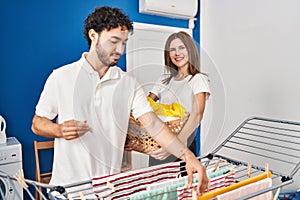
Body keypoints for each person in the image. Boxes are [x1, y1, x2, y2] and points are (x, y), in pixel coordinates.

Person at [31, 6, 208, 196]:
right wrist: (58, 130)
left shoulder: (129, 84)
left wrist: (187, 156)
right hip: (68, 191)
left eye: (124, 43)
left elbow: (153, 123)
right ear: (93, 35)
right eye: (114, 41)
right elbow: (37, 124)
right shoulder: (61, 77)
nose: (120, 50)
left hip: (108, 190)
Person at [148, 31, 211, 167]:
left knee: (182, 186)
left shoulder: (198, 79)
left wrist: (173, 146)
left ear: (190, 50)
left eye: (182, 48)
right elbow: (145, 107)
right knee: (157, 186)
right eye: (172, 49)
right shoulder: (163, 80)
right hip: (159, 142)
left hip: (183, 144)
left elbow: (196, 115)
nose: (177, 53)